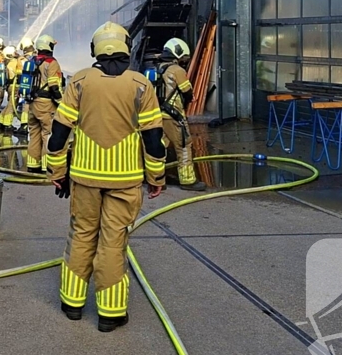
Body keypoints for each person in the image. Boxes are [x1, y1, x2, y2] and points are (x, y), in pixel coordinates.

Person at [46, 22, 166, 332]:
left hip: (84, 178)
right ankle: (110, 313)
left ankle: (72, 303)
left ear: (94, 48)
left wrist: (58, 173)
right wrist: (156, 177)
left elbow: (59, 134)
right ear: (126, 46)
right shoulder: (141, 85)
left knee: (82, 233)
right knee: (113, 242)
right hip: (125, 181)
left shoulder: (80, 82)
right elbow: (154, 139)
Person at [158, 38, 207, 192]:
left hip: (159, 114)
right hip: (174, 116)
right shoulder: (177, 71)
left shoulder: (159, 68)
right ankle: (188, 181)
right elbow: (187, 92)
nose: (184, 61)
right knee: (184, 146)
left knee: (160, 147)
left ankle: (157, 178)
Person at [26, 33, 63, 174]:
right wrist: (61, 102)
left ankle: (32, 164)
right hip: (46, 104)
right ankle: (45, 166)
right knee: (47, 134)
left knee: (34, 133)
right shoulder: (51, 63)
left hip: (33, 103)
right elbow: (54, 86)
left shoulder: (32, 60)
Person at [0, 46, 20, 131]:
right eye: (15, 52)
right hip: (15, 87)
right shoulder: (14, 63)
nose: (17, 53)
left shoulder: (8, 63)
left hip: (10, 86)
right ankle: (7, 124)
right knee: (12, 106)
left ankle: (1, 120)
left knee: (9, 104)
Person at [16, 37, 35, 132]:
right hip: (37, 86)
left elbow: (20, 73)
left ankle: (24, 126)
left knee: (25, 105)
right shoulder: (37, 58)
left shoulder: (22, 60)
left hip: (26, 86)